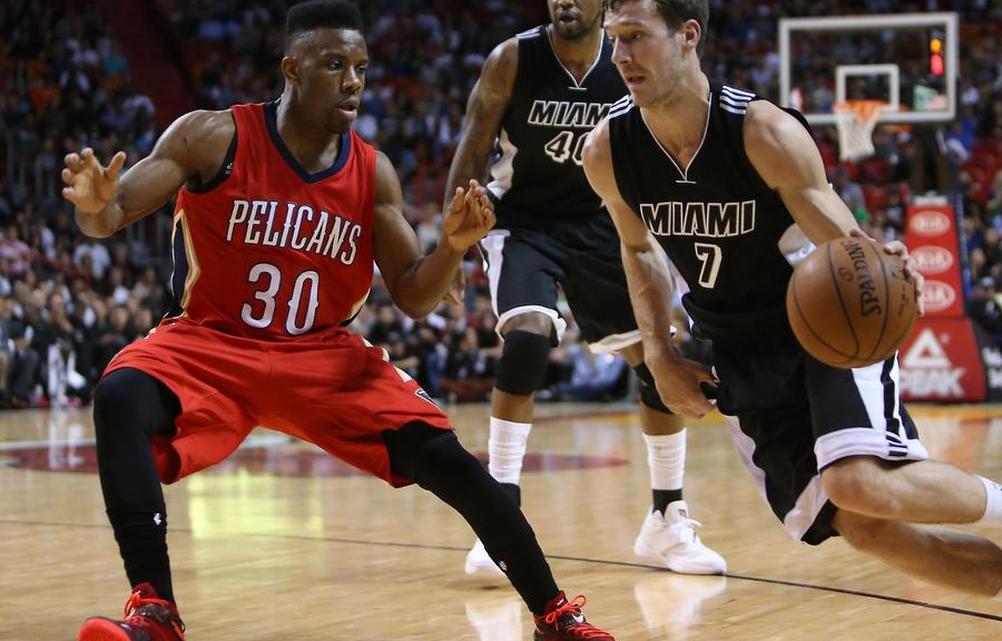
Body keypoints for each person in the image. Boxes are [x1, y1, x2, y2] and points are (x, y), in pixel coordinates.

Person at [60, 2, 613, 640]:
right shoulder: (213, 137)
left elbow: (412, 294)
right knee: (120, 395)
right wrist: (95, 209)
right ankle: (155, 609)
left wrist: (453, 248)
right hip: (212, 342)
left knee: (453, 462)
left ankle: (554, 615)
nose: (353, 80)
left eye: (360, 66)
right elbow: (112, 212)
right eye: (333, 64)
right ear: (292, 69)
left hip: (322, 356)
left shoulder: (371, 173)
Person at [581, 1, 1002, 640]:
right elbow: (639, 246)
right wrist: (658, 350)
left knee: (857, 480)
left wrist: (880, 265)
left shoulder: (759, 130)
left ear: (688, 36)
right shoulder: (607, 151)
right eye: (613, 39)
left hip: (823, 323)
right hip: (735, 350)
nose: (620, 56)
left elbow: (837, 233)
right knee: (863, 525)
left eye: (636, 38)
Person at [447, 0, 723, 576]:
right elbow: (473, 142)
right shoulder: (512, 59)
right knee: (525, 341)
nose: (565, 2)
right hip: (522, 221)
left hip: (603, 225)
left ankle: (666, 519)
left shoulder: (626, 60)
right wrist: (451, 247)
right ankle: (500, 519)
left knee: (658, 361)